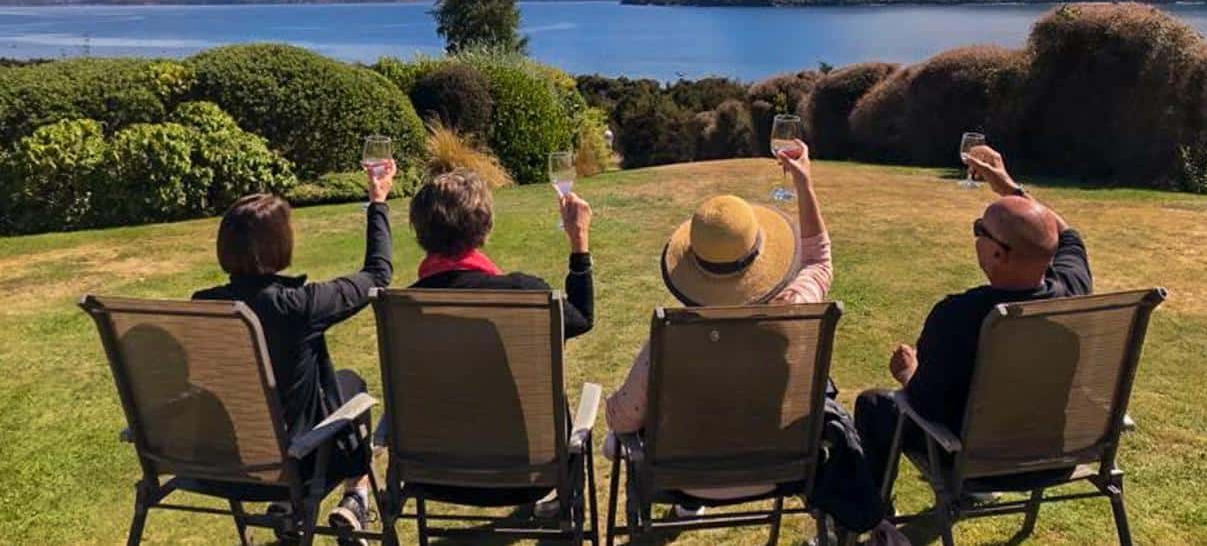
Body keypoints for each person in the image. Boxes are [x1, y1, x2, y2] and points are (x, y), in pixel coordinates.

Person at [604, 139, 832, 513]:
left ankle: (689, 502)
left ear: (694, 267)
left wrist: (611, 416)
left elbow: (625, 416)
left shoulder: (673, 339)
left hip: (684, 478)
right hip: (776, 472)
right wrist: (804, 183)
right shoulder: (796, 312)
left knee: (625, 431)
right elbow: (819, 260)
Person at [854, 144, 1094, 491]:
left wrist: (907, 371)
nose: (976, 233)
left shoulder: (959, 317)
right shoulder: (1073, 292)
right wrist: (1009, 187)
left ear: (997, 253)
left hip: (977, 465)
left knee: (875, 405)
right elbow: (1068, 235)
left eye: (979, 229)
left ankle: (874, 518)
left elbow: (924, 404)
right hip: (1057, 459)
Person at [193, 160, 397, 541]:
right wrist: (377, 202)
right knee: (351, 386)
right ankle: (356, 494)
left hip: (220, 466)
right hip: (294, 462)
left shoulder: (205, 305)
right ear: (279, 245)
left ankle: (292, 509)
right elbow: (377, 275)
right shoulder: (299, 306)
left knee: (338, 384)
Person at [407, 168, 595, 339]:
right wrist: (579, 239)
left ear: (418, 230)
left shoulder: (404, 307)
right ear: (486, 224)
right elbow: (580, 319)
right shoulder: (525, 294)